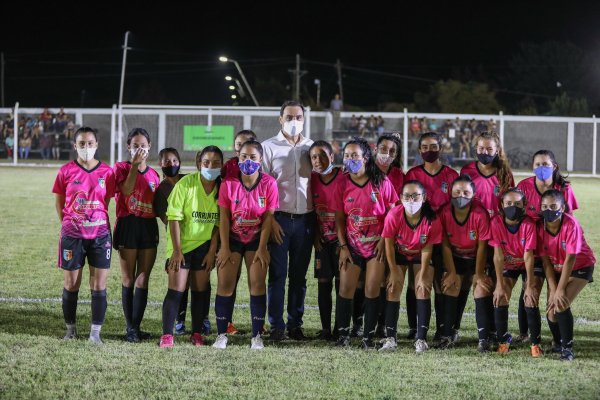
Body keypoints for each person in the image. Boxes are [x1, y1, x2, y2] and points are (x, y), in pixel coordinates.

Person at [52, 126, 116, 344]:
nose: (86, 147)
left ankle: (95, 333)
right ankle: (70, 330)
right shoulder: (65, 171)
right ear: (75, 146)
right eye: (82, 144)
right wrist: (71, 224)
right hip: (73, 235)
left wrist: (94, 219)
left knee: (99, 285)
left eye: (90, 143)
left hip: (100, 235)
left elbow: (106, 201)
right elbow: (60, 202)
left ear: (96, 145)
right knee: (71, 284)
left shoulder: (107, 172)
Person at [334, 137, 398, 349]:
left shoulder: (381, 181)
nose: (351, 159)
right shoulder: (342, 182)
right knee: (346, 288)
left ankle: (368, 337)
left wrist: (383, 240)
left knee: (372, 289)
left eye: (355, 155)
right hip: (351, 246)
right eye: (347, 155)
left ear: (366, 158)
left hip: (376, 247)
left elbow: (393, 213)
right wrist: (343, 247)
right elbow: (340, 218)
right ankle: (342, 334)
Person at [213, 140, 278, 350]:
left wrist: (261, 247)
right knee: (225, 284)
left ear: (261, 160)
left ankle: (256, 336)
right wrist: (223, 247)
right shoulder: (228, 184)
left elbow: (268, 218)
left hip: (256, 240)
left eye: (253, 157)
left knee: (257, 284)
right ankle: (221, 334)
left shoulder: (269, 184)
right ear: (238, 158)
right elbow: (223, 218)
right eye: (244, 157)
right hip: (232, 239)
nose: (248, 161)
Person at [159, 147, 222, 348]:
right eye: (206, 163)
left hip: (204, 246)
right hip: (181, 245)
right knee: (176, 289)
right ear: (199, 164)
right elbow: (174, 218)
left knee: (200, 290)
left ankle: (196, 333)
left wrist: (212, 250)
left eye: (216, 163)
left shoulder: (222, 189)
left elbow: (219, 224)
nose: (211, 167)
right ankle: (167, 335)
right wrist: (176, 251)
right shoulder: (185, 185)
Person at [261, 100, 314, 341]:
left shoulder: (311, 148)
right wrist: (270, 220)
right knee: (277, 276)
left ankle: (295, 324)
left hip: (305, 221)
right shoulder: (268, 147)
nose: (295, 121)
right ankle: (277, 327)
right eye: (290, 117)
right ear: (280, 119)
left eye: (299, 117)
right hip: (279, 219)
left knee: (299, 277)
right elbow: (262, 188)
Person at [516, 149, 578, 342]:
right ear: (532, 167)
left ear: (554, 166)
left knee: (554, 293)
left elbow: (570, 221)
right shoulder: (524, 186)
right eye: (538, 165)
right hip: (532, 247)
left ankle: (557, 337)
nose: (541, 168)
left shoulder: (564, 188)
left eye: (546, 164)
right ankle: (526, 334)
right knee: (529, 287)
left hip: (553, 250)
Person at [458, 131, 514, 342]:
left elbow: (511, 205)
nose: (485, 152)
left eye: (489, 149)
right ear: (476, 149)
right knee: (471, 280)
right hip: (472, 236)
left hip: (497, 237)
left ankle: (492, 330)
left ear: (497, 151)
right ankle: (457, 328)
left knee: (491, 281)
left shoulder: (504, 173)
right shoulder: (467, 171)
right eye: (481, 148)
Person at [405, 132, 458, 340]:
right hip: (418, 237)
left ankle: (442, 329)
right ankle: (414, 326)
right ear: (419, 151)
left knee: (440, 282)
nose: (429, 151)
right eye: (425, 147)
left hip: (446, 237)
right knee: (415, 281)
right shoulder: (412, 174)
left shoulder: (451, 175)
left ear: (441, 148)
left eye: (433, 146)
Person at [382, 180, 442, 352]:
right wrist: (393, 271)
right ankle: (390, 338)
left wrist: (423, 274)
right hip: (399, 253)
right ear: (400, 198)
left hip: (419, 254)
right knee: (393, 288)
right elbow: (389, 244)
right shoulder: (394, 214)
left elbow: (427, 249)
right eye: (407, 196)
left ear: (424, 197)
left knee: (422, 287)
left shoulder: (431, 219)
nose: (411, 200)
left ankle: (421, 339)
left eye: (415, 196)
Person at [113, 128, 161, 343]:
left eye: (143, 145)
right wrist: (134, 167)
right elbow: (125, 191)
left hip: (148, 225)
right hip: (128, 224)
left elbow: (158, 204)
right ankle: (130, 328)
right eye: (135, 146)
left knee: (143, 277)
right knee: (128, 277)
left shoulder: (154, 175)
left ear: (149, 147)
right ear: (128, 147)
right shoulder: (121, 168)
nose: (139, 149)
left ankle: (137, 327)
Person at [538, 190, 595, 361]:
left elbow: (570, 259)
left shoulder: (571, 225)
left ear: (562, 208)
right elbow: (546, 262)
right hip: (555, 269)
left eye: (554, 206)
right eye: (545, 206)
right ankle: (557, 342)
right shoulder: (539, 227)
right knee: (550, 312)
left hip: (580, 267)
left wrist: (560, 290)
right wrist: (554, 288)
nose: (549, 210)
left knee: (560, 304)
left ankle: (568, 349)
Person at [437, 175, 491, 351]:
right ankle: (447, 334)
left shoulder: (480, 213)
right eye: (457, 192)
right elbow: (444, 244)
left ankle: (484, 338)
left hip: (477, 258)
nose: (461, 195)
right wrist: (451, 272)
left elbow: (483, 247)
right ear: (450, 193)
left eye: (466, 192)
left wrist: (479, 273)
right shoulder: (444, 212)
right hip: (455, 258)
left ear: (474, 194)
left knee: (480, 287)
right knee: (452, 285)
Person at [490, 188, 543, 357]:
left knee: (530, 297)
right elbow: (498, 257)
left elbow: (528, 256)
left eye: (517, 204)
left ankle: (535, 343)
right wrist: (498, 285)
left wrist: (530, 286)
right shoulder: (496, 222)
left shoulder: (528, 224)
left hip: (529, 263)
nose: (513, 207)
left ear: (525, 205)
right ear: (502, 205)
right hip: (509, 264)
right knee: (500, 295)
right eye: (509, 203)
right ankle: (503, 340)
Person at [153, 148, 195, 336]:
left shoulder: (189, 181)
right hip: (177, 243)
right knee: (180, 284)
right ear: (160, 164)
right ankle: (179, 320)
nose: (171, 164)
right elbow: (167, 219)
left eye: (174, 160)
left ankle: (200, 321)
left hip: (196, 238)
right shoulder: (161, 190)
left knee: (197, 283)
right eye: (166, 161)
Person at [309, 140, 346, 340]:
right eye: (314, 156)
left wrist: (344, 242)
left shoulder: (344, 177)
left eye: (323, 155)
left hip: (341, 242)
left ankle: (340, 328)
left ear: (332, 157)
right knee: (324, 282)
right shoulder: (312, 179)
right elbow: (312, 211)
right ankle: (325, 329)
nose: (318, 160)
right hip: (322, 240)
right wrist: (316, 236)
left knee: (342, 283)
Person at [373, 133, 404, 337]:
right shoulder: (366, 171)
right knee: (366, 282)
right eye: (383, 149)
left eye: (392, 151)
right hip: (365, 236)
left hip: (389, 236)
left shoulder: (399, 175)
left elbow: (398, 208)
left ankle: (383, 325)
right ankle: (360, 324)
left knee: (385, 280)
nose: (387, 154)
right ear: (375, 149)